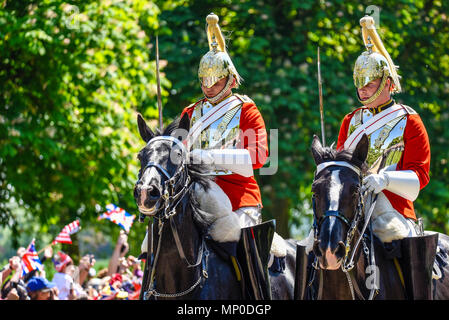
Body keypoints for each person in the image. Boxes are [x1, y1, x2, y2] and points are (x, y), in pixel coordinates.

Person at [176, 13, 275, 299]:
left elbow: (258, 156)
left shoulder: (246, 109)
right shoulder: (189, 113)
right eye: (204, 80)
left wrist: (207, 157)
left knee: (246, 246)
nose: (208, 86)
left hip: (237, 199)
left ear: (230, 79)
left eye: (214, 80)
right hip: (195, 200)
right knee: (157, 239)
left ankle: (257, 298)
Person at [336, 16, 435, 299]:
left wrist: (385, 179)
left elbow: (420, 177)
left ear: (387, 82)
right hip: (352, 207)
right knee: (316, 241)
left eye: (370, 81)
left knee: (404, 242)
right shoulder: (350, 120)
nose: (362, 87)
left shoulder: (409, 120)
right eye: (359, 81)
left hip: (392, 207)